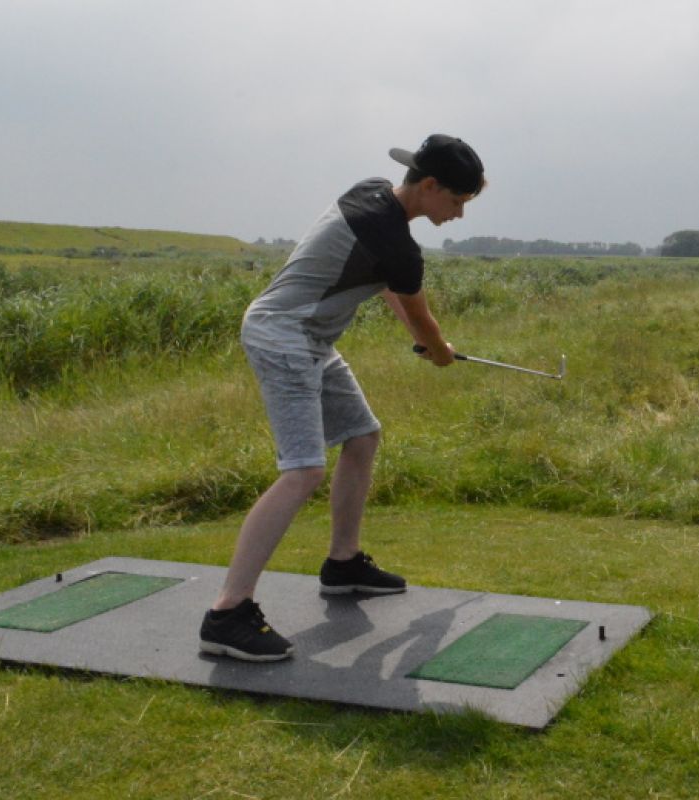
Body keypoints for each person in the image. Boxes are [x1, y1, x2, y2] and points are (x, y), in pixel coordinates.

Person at [199, 134, 486, 662]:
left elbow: (389, 289)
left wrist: (424, 341)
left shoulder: (372, 194)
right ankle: (227, 612)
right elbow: (418, 311)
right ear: (429, 186)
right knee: (303, 470)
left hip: (309, 339)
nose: (459, 215)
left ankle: (343, 563)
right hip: (283, 336)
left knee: (362, 437)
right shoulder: (397, 242)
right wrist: (438, 348)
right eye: (458, 201)